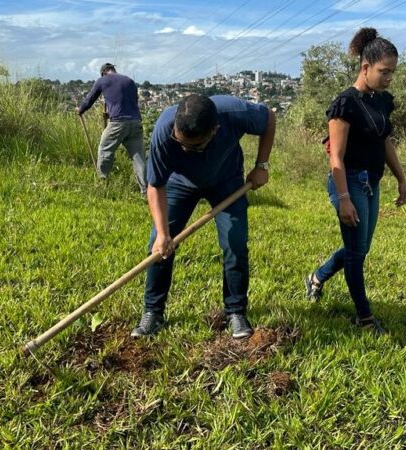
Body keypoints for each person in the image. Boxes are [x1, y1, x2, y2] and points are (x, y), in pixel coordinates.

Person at [131, 94, 276, 339]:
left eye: (193, 146)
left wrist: (262, 165)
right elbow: (155, 186)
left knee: (235, 243)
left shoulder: (234, 114)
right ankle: (153, 312)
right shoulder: (164, 131)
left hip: (227, 182)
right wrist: (165, 234)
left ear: (215, 130)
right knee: (157, 243)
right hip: (180, 183)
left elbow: (269, 117)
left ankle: (235, 311)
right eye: (181, 143)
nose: (185, 149)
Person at [304, 28, 406, 334]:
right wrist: (344, 198)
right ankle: (364, 318)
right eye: (384, 72)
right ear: (365, 67)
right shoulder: (345, 104)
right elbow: (335, 157)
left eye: (392, 72)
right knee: (355, 254)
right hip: (348, 182)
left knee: (359, 249)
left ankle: (316, 277)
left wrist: (402, 179)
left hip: (371, 183)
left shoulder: (381, 101)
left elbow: (385, 143)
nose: (389, 78)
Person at [76, 63, 147, 194]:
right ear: (113, 70)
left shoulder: (102, 80)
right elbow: (131, 102)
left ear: (103, 72)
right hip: (136, 122)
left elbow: (89, 99)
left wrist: (80, 109)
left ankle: (102, 182)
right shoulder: (129, 81)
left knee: (105, 149)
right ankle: (145, 191)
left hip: (118, 123)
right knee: (139, 158)